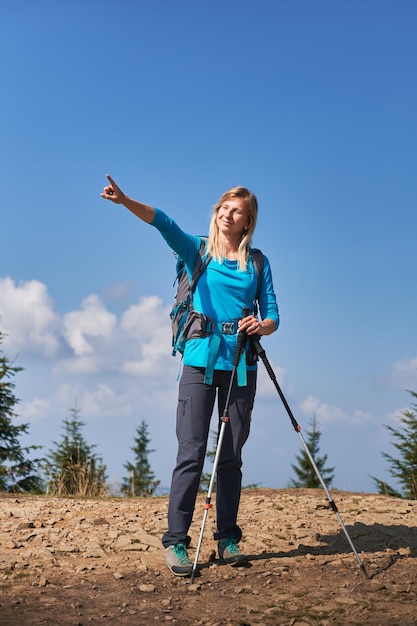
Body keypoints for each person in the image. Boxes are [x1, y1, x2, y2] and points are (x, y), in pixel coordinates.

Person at [101, 174, 279, 576]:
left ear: (248, 221)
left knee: (230, 456)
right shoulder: (197, 250)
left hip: (241, 364)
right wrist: (126, 201)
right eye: (224, 208)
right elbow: (163, 222)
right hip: (200, 360)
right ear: (216, 212)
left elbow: (273, 314)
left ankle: (228, 538)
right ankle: (176, 542)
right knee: (192, 452)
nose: (228, 215)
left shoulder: (257, 262)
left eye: (237, 211)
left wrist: (260, 326)